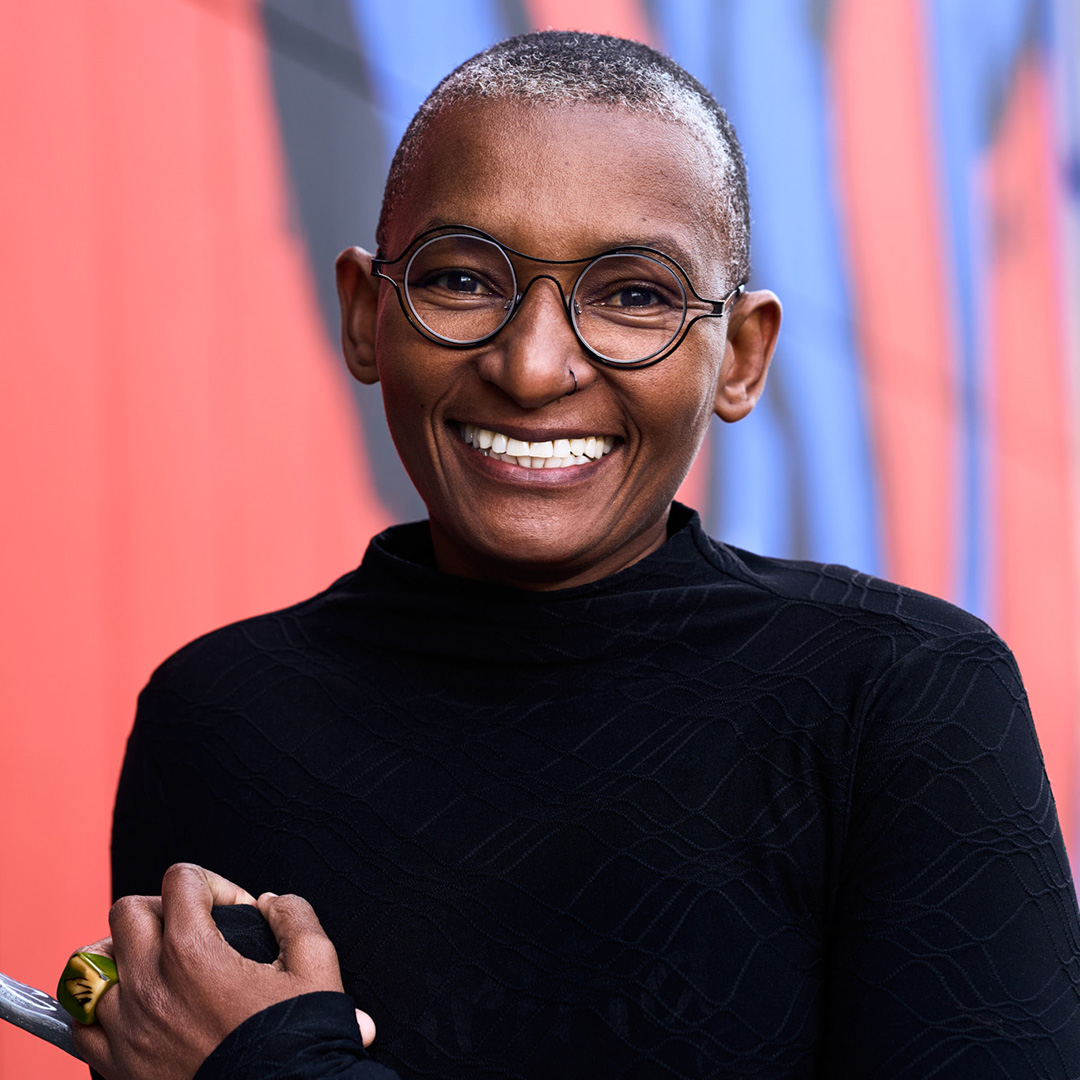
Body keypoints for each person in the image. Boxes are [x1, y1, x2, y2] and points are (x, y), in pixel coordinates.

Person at [72, 30, 1080, 1080]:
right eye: (463, 279)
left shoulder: (901, 697)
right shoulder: (221, 715)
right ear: (367, 316)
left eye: (634, 294)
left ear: (740, 357)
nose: (533, 366)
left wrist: (275, 1069)